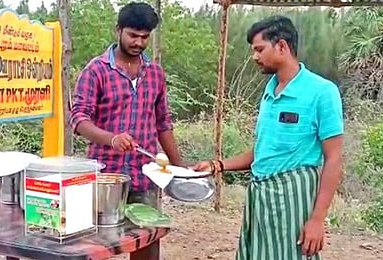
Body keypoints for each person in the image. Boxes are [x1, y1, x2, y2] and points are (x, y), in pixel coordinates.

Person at [193, 15, 344, 260]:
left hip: (294, 200)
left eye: (259, 49)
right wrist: (217, 165)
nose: (255, 57)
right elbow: (263, 151)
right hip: (260, 198)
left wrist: (317, 219)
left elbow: (334, 158)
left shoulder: (322, 92)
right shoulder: (269, 91)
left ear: (282, 46)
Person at [70, 2, 183, 259]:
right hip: (104, 178)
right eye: (133, 35)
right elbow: (79, 119)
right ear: (118, 30)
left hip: (144, 177)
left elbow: (163, 122)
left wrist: (178, 167)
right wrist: (112, 139)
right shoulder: (96, 71)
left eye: (145, 37)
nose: (139, 42)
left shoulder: (154, 73)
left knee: (146, 244)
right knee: (94, 247)